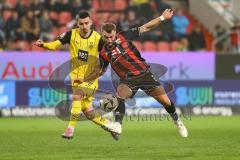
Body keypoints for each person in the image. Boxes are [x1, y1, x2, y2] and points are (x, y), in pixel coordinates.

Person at [82, 9, 188, 140]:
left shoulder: (124, 35)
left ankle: (178, 121)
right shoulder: (103, 52)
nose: (109, 40)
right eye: (106, 37)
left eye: (111, 36)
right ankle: (118, 125)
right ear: (102, 35)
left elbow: (146, 27)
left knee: (166, 102)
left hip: (144, 74)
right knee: (118, 97)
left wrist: (162, 18)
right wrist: (83, 80)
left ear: (115, 33)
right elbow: (100, 71)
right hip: (128, 80)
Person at [34, 11, 121, 139]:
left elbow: (107, 52)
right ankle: (110, 126)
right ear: (77, 24)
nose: (84, 26)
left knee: (77, 96)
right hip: (75, 79)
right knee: (89, 113)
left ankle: (70, 129)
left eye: (87, 23)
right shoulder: (70, 35)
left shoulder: (97, 38)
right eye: (81, 24)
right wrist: (44, 45)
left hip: (90, 79)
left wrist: (115, 46)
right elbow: (54, 45)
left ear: (91, 23)